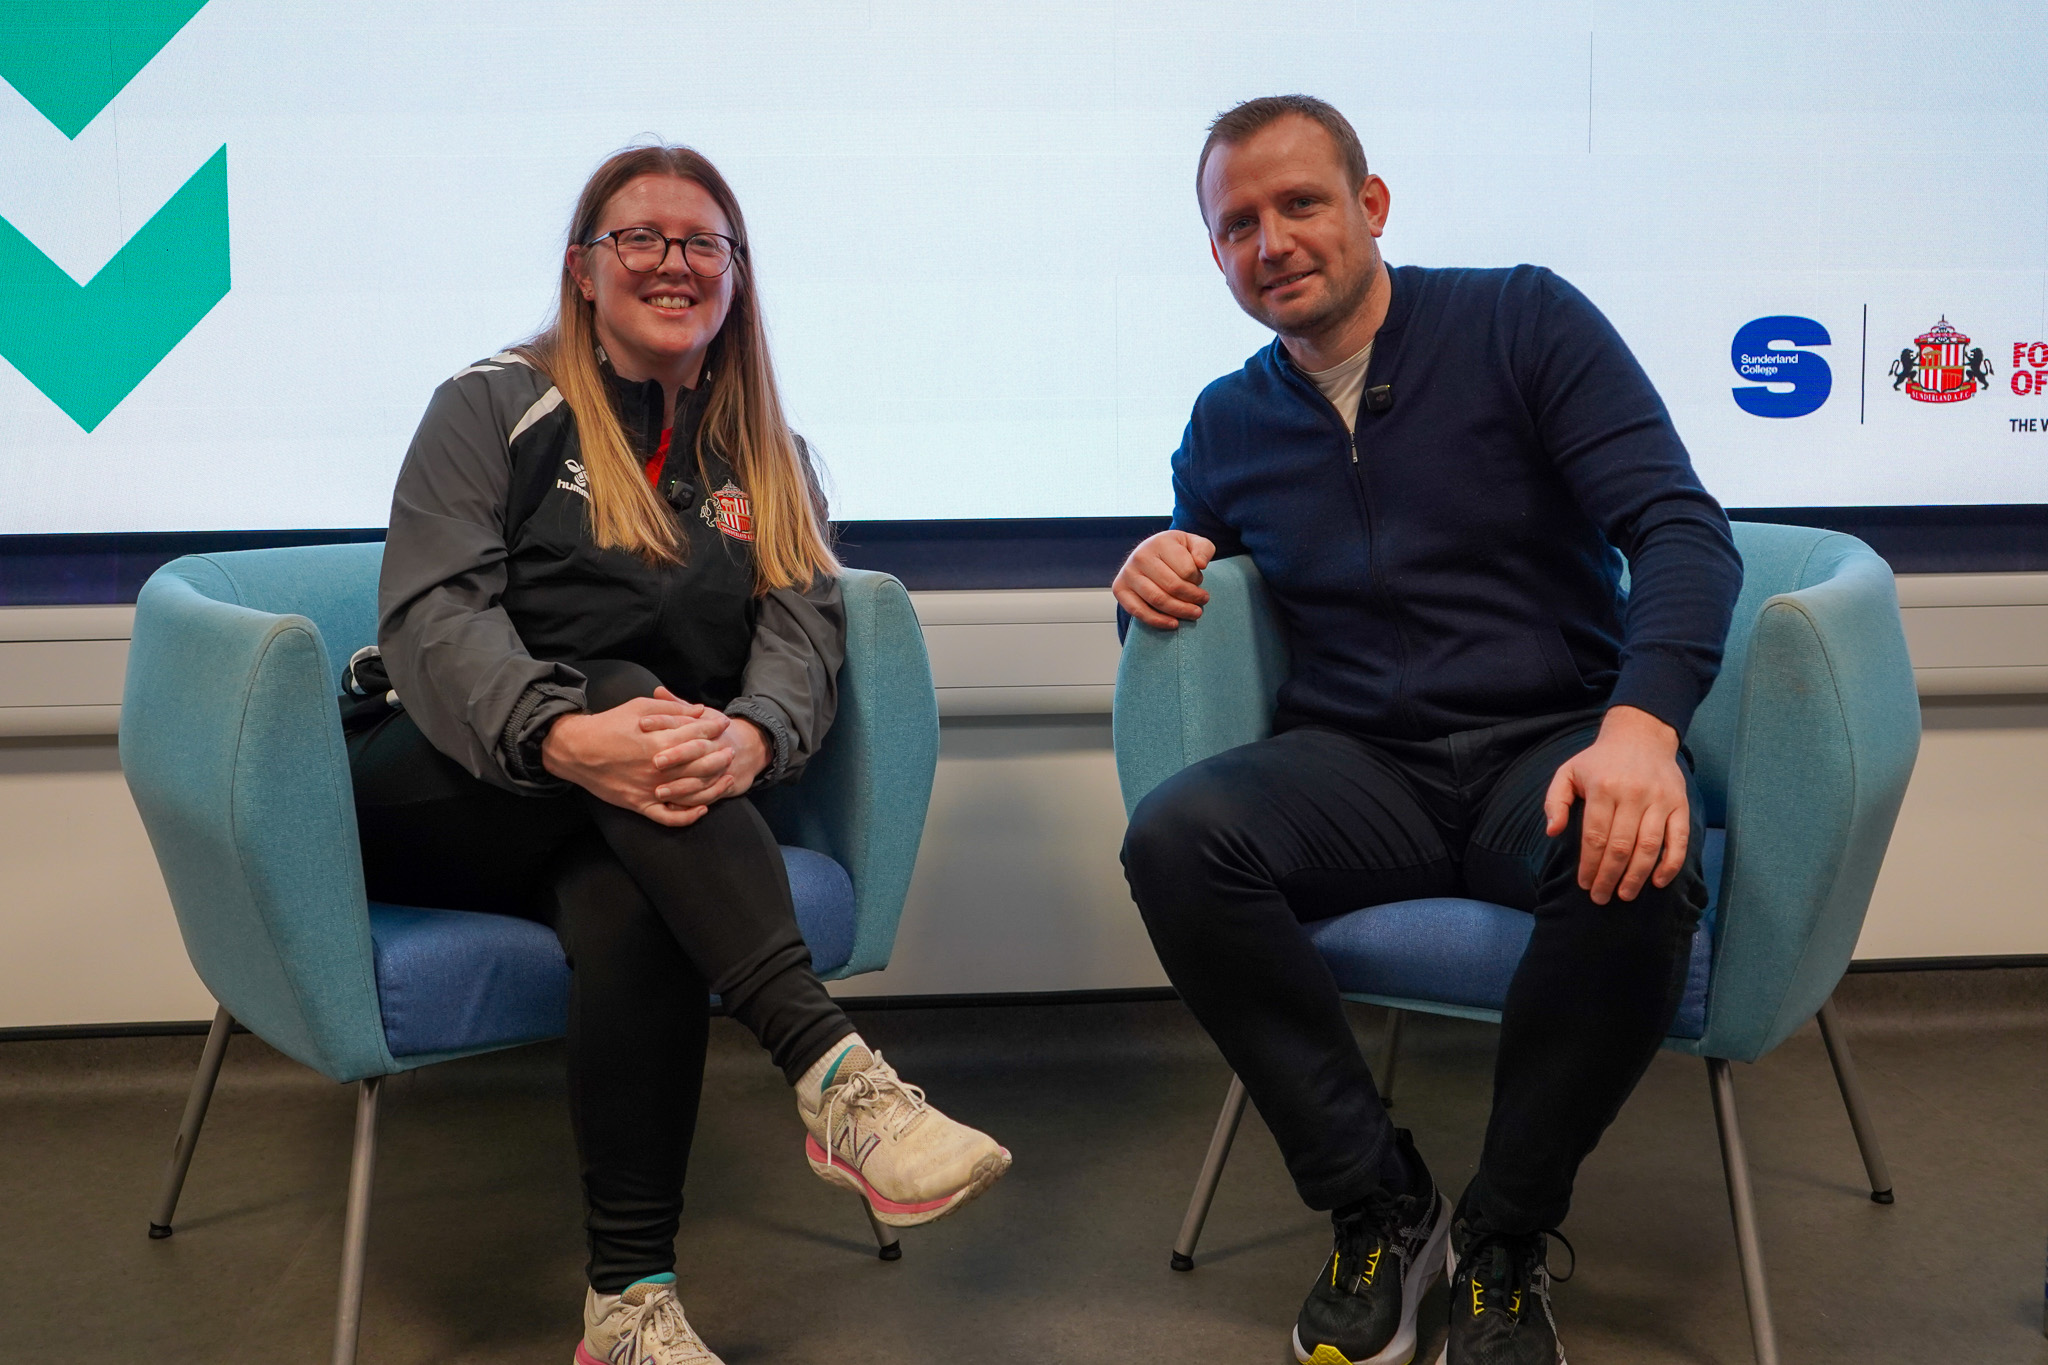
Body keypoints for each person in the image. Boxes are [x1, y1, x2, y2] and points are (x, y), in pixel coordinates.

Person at [349, 144, 1009, 1365]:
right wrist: (566, 728)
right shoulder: (490, 406)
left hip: (634, 811)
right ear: (582, 272)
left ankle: (627, 1306)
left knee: (626, 899)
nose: (671, 262)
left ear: (737, 276)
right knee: (623, 694)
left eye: (701, 242)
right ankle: (831, 1073)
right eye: (637, 239)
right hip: (438, 781)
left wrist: (754, 736)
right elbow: (433, 618)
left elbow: (805, 630)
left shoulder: (769, 453)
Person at [1115, 97, 1742, 1365]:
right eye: (1236, 224)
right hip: (1361, 763)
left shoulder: (1521, 321)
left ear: (1372, 206)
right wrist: (1150, 566)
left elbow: (1678, 529)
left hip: (1546, 740)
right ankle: (1375, 1201)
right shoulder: (1227, 421)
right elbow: (1206, 563)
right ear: (1215, 256)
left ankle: (1503, 1239)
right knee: (1174, 841)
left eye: (1299, 203)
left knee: (1637, 865)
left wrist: (1637, 730)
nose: (1271, 240)